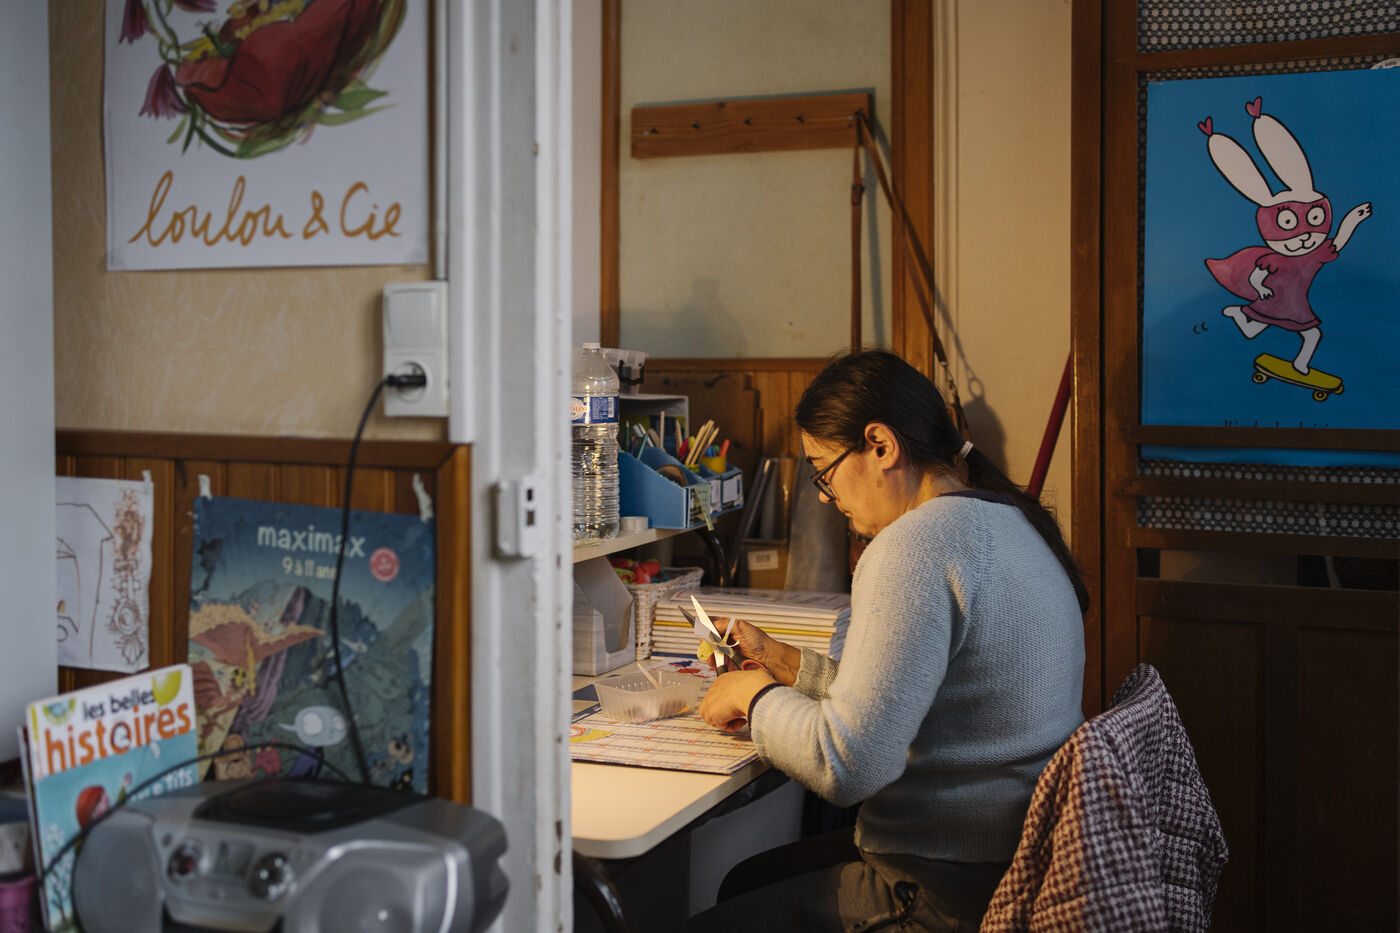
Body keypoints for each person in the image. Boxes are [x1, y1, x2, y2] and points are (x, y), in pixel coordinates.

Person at [676, 349, 1087, 933]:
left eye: (824, 470)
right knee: (745, 882)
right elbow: (908, 696)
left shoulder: (912, 548)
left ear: (880, 445)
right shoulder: (1008, 518)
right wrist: (785, 664)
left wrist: (753, 696)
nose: (824, 495)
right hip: (1010, 858)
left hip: (947, 885)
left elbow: (850, 765)